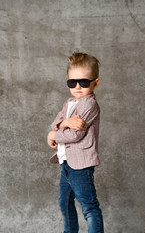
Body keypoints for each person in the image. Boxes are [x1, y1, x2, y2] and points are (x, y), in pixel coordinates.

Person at [47, 52, 104, 233]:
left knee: (89, 207)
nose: (78, 87)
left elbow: (74, 136)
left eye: (84, 82)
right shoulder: (69, 102)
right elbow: (55, 123)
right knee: (64, 203)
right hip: (66, 163)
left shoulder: (89, 105)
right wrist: (63, 124)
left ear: (95, 83)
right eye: (72, 82)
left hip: (80, 165)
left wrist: (54, 135)